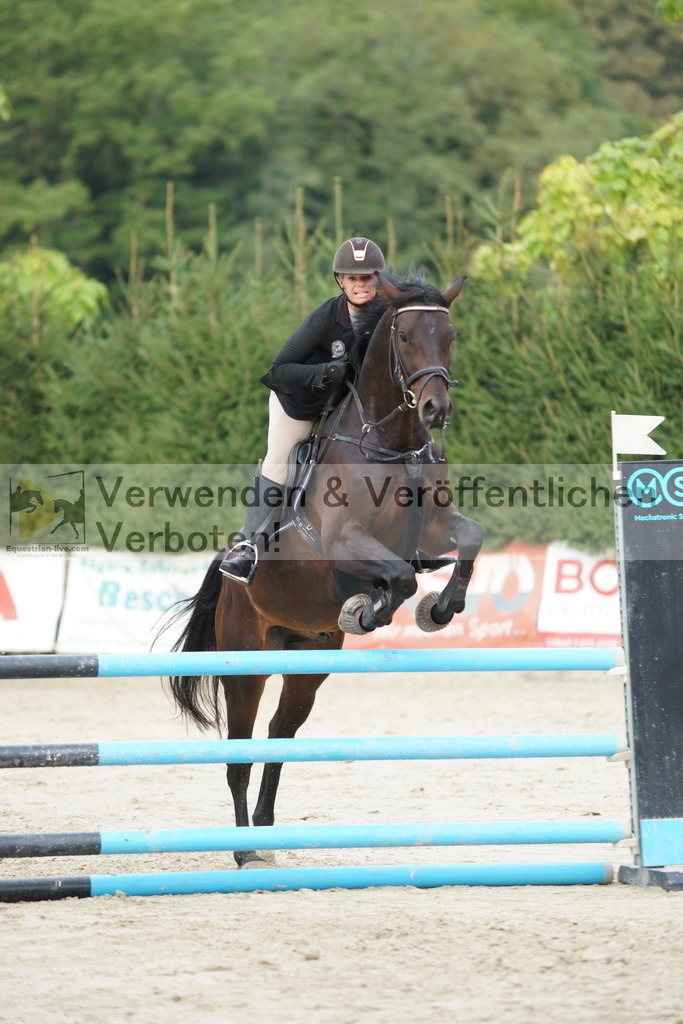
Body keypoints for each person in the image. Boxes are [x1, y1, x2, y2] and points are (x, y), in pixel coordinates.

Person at [219, 236, 386, 584]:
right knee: (280, 463)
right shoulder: (326, 317)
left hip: (342, 407)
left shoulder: (386, 315)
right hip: (299, 403)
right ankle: (247, 547)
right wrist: (327, 371)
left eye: (368, 277)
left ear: (379, 279)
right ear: (340, 281)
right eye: (353, 278)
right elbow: (277, 370)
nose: (361, 284)